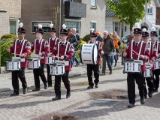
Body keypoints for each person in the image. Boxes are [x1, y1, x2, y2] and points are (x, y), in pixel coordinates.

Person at [123, 23, 150, 108]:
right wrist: (124, 54)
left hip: (140, 68)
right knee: (130, 85)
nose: (137, 37)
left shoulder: (145, 45)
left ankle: (142, 96)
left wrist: (144, 57)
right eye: (136, 35)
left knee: (141, 84)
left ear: (141, 36)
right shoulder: (130, 44)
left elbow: (148, 56)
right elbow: (127, 54)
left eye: (138, 35)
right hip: (131, 67)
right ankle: (131, 101)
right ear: (134, 35)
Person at [7, 22, 31, 96]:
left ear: (24, 35)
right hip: (15, 61)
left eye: (21, 34)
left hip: (22, 62)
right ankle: (16, 91)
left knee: (21, 75)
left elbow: (28, 51)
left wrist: (24, 54)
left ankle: (24, 87)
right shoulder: (15, 42)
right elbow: (11, 49)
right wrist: (9, 50)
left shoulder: (27, 42)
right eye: (19, 34)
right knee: (14, 77)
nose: (19, 35)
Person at [52, 24, 74, 100]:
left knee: (65, 80)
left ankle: (68, 90)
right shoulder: (57, 44)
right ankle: (58, 95)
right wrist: (53, 55)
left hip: (66, 65)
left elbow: (71, 54)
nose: (62, 37)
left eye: (64, 35)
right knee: (57, 81)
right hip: (58, 64)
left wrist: (65, 57)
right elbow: (54, 52)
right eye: (61, 35)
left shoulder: (70, 45)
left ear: (66, 36)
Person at [31, 24, 49, 91]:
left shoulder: (45, 42)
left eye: (38, 34)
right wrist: (29, 53)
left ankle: (45, 82)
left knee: (41, 72)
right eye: (36, 34)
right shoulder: (34, 41)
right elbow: (31, 49)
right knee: (35, 72)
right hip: (35, 59)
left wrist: (43, 53)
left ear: (41, 35)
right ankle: (37, 87)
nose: (37, 35)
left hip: (42, 59)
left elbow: (47, 50)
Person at [141, 28, 155, 98]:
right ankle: (144, 93)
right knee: (142, 80)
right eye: (143, 38)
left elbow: (154, 54)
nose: (145, 40)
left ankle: (150, 90)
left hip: (149, 64)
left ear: (148, 38)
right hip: (142, 64)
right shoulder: (141, 45)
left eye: (146, 38)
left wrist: (152, 59)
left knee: (149, 80)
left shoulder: (152, 45)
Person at [150, 27, 160, 92]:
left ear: (156, 37)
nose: (152, 37)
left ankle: (156, 87)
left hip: (157, 62)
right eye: (152, 36)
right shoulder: (149, 43)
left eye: (154, 36)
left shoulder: (159, 44)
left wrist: (158, 56)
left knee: (157, 75)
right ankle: (152, 86)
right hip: (151, 62)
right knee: (151, 75)